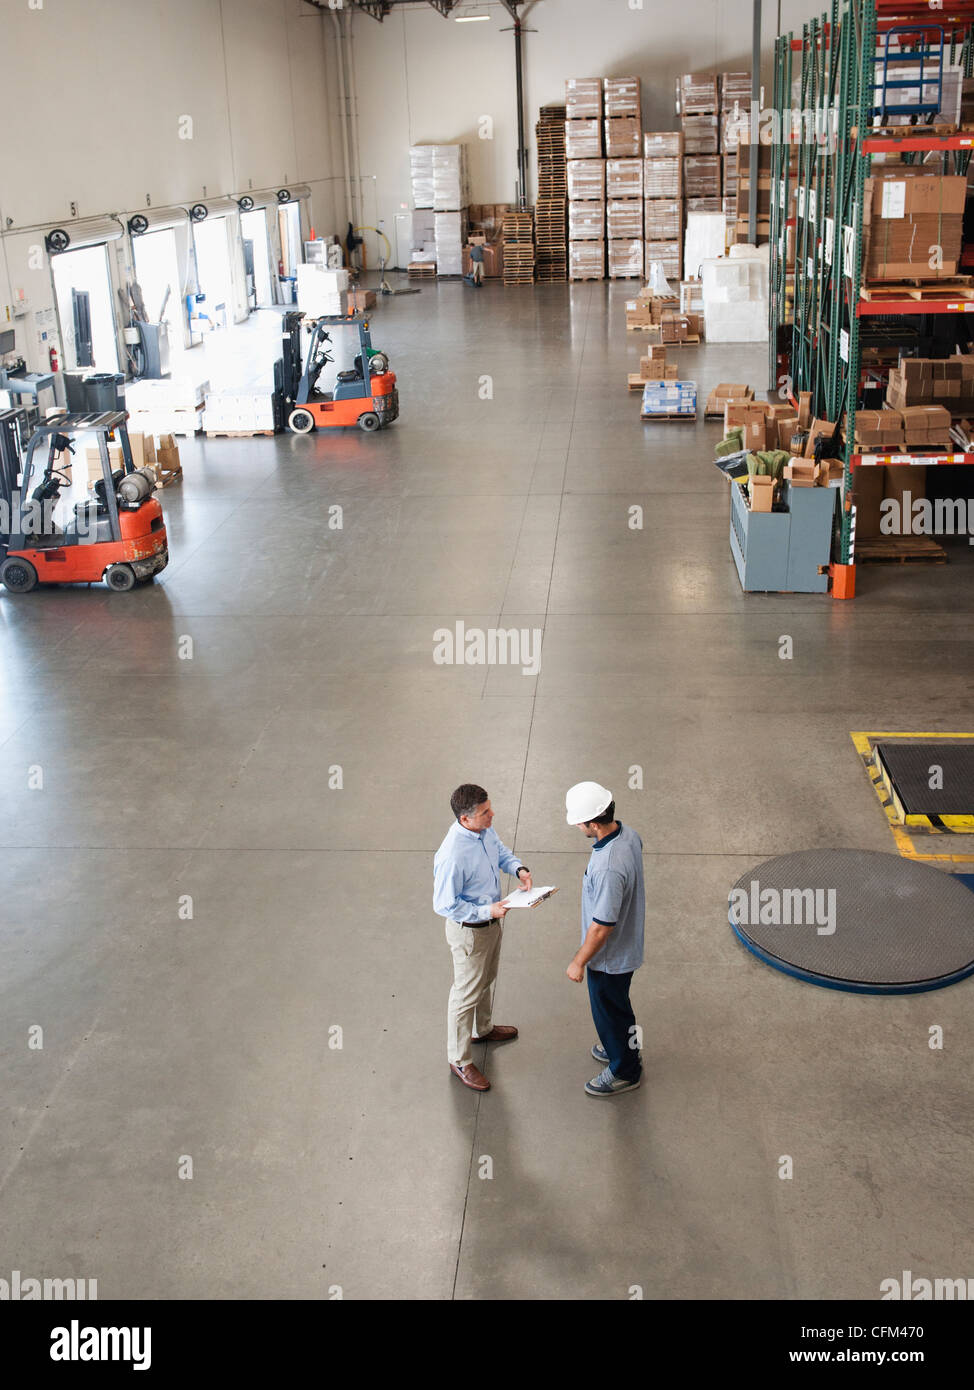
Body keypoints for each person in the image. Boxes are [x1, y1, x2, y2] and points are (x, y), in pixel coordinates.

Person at [433, 784, 531, 1091]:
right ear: (465, 819)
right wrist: (486, 911)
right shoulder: (452, 855)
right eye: (485, 812)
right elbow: (445, 904)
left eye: (490, 808)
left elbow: (499, 851)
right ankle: (459, 1060)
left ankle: (482, 1029)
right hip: (470, 933)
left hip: (491, 924)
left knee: (487, 979)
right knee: (465, 995)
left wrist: (519, 868)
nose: (492, 815)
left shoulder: (483, 830)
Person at [564, 782, 645, 1098]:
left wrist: (579, 960)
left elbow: (601, 927)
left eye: (579, 822)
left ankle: (625, 1069)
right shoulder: (629, 834)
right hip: (626, 946)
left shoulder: (608, 866)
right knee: (617, 1006)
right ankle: (618, 1045)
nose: (576, 825)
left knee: (609, 1010)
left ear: (593, 823)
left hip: (609, 957)